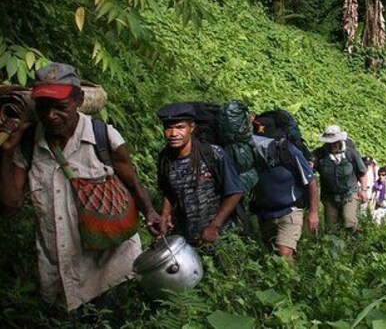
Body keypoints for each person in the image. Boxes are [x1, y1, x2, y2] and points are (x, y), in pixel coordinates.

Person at [0, 63, 163, 311]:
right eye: (43, 107)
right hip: (59, 271)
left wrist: (150, 212)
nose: (51, 115)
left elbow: (132, 182)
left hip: (108, 270)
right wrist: (6, 154)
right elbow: (10, 206)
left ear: (78, 100)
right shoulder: (29, 144)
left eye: (60, 107)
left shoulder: (103, 137)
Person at [155, 103, 243, 248]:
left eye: (180, 127)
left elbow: (235, 192)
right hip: (186, 241)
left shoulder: (213, 154)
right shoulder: (165, 158)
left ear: (192, 128)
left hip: (222, 237)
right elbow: (168, 192)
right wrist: (165, 216)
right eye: (168, 128)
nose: (173, 133)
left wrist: (215, 226)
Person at [249, 133, 319, 260]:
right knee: (273, 257)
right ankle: (291, 278)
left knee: (283, 253)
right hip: (266, 214)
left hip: (291, 211)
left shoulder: (287, 150)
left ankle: (291, 278)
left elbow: (311, 181)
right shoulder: (248, 154)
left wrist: (313, 212)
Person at [310, 125, 367, 233]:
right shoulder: (319, 154)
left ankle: (353, 245)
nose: (332, 145)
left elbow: (362, 173)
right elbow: (309, 169)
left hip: (349, 193)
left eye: (334, 142)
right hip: (329, 196)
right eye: (329, 142)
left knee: (349, 220)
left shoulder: (351, 153)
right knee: (331, 227)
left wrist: (364, 190)